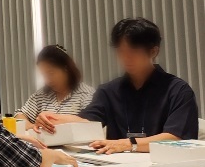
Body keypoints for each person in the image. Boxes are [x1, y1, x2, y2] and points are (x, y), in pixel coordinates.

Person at [39, 18, 199, 153]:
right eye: (121, 51)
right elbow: (86, 120)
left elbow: (176, 138)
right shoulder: (109, 91)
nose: (126, 58)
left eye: (133, 51)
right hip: (118, 166)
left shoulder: (178, 90)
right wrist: (52, 118)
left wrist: (128, 144)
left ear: (153, 51)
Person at [14, 45, 95, 128]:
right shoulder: (41, 95)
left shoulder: (86, 94)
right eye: (43, 75)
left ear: (66, 69)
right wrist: (34, 127)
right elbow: (19, 115)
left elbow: (91, 124)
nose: (47, 80)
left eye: (51, 73)